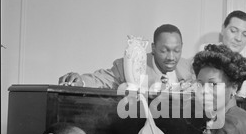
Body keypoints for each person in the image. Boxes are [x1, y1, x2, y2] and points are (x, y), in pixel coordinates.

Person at [58, 24, 194, 91]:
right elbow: (102, 79)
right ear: (153, 48)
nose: (171, 57)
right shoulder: (133, 64)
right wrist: (80, 81)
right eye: (164, 51)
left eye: (177, 50)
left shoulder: (189, 69)